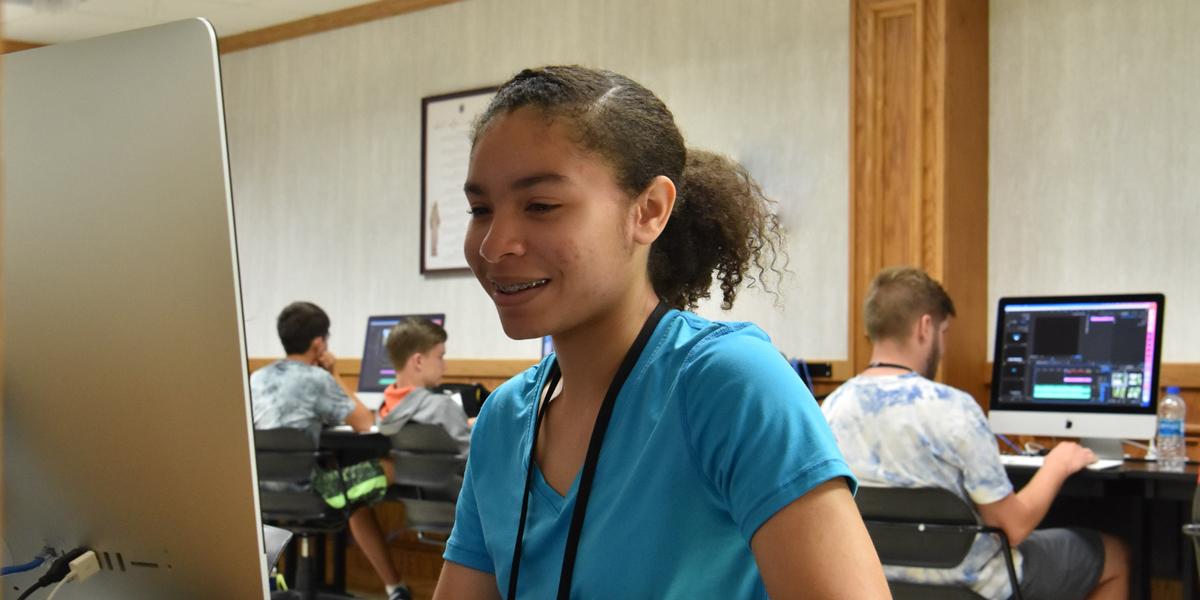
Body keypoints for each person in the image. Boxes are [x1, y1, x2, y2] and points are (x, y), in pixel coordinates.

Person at [433, 66, 889, 599]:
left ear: (649, 211)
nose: (494, 245)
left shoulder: (729, 385)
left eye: (541, 206)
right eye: (481, 210)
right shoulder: (505, 420)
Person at [821, 267, 1129, 600]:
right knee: (1115, 555)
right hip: (973, 586)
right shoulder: (954, 409)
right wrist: (1058, 465)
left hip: (875, 585)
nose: (943, 343)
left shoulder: (831, 409)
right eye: (944, 331)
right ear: (926, 327)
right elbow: (1013, 528)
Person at [250, 301, 412, 600]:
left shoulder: (256, 379)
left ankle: (394, 588)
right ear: (319, 343)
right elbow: (364, 422)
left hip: (261, 496)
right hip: (311, 492)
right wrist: (334, 374)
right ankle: (396, 590)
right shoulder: (318, 379)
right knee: (390, 466)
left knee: (354, 499)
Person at [376, 316, 473, 452]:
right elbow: (475, 464)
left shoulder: (382, 411)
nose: (445, 367)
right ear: (419, 361)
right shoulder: (443, 408)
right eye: (440, 357)